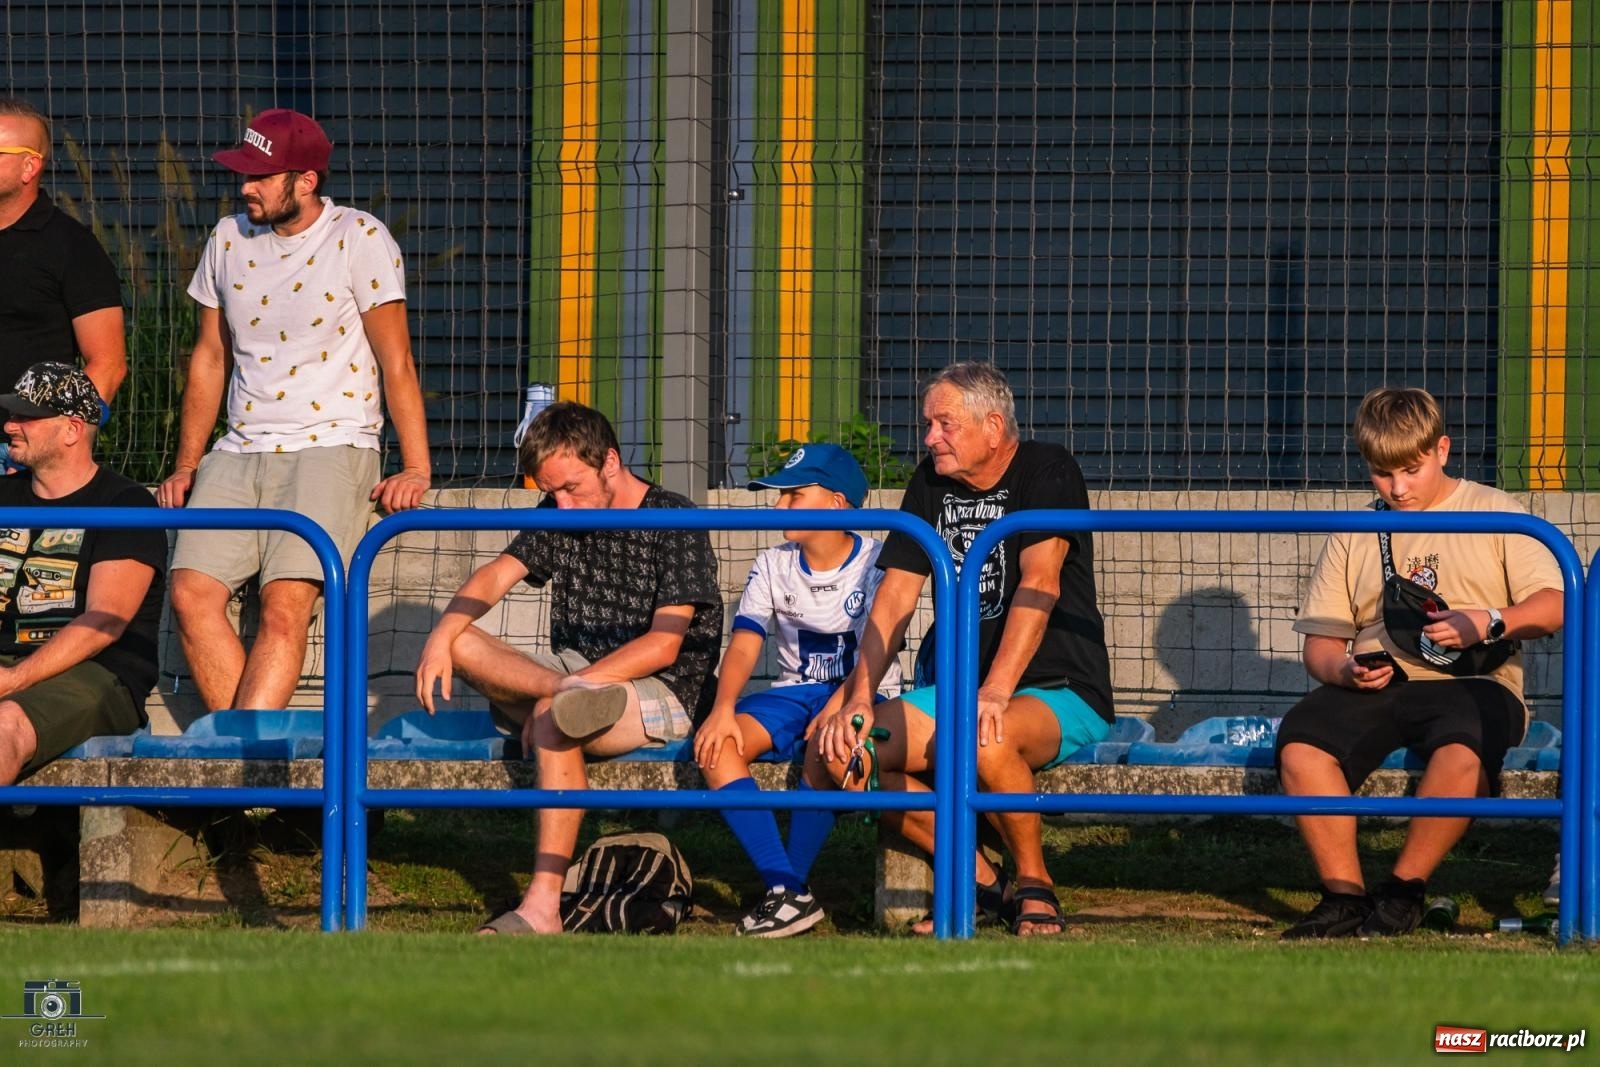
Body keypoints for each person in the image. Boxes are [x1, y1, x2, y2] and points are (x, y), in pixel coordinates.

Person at [810, 361, 1115, 936]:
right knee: (841, 753)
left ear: (993, 427)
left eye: (944, 424)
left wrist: (995, 691)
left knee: (983, 736)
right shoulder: (930, 480)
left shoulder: (1048, 469)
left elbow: (1041, 583)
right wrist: (858, 697)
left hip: (1058, 687)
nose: (930, 438)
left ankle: (1036, 884)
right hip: (961, 692)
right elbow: (894, 599)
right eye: (928, 424)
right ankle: (982, 882)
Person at [158, 108, 431, 713]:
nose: (245, 187)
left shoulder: (359, 236)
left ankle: (238, 762)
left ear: (305, 180)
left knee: (285, 605)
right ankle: (249, 758)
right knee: (189, 595)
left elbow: (398, 361)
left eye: (260, 175)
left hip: (332, 446)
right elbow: (209, 358)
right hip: (238, 449)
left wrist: (416, 467)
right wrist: (187, 463)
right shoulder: (226, 238)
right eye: (244, 174)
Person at [415, 401, 722, 935]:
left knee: (554, 719)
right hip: (575, 674)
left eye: (571, 488)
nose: (560, 504)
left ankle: (542, 907)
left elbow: (664, 646)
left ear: (610, 462)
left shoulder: (675, 517)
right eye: (550, 491)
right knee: (462, 642)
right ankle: (561, 693)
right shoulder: (560, 510)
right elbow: (495, 575)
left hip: (666, 689)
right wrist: (439, 638)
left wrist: (572, 693)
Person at [1277, 387, 1563, 939]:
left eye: (1411, 469)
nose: (1398, 488)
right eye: (1382, 474)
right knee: (1301, 740)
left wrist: (1488, 621)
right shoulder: (1354, 531)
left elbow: (1557, 603)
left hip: (1477, 682)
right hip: (1381, 683)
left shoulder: (1499, 512)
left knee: (1464, 748)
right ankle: (1343, 898)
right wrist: (1344, 671)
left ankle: (1403, 892)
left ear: (1442, 450)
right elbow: (1320, 645)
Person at [693, 443, 900, 938]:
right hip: (794, 692)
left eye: (794, 495)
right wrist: (722, 708)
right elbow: (745, 642)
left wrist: (839, 705)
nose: (779, 505)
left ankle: (786, 895)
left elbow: (877, 651)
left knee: (827, 745)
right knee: (716, 746)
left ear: (837, 503)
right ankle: (788, 892)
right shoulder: (773, 563)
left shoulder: (878, 561)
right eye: (779, 494)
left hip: (864, 694)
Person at [0, 363, 164, 784]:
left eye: (25, 417)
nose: (9, 426)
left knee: (4, 726)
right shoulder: (5, 495)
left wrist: (14, 679)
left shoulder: (124, 504)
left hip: (95, 672)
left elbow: (103, 623)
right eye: (12, 414)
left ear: (72, 429)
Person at [0, 98, 126, 466]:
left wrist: (46, 444)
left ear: (30, 166)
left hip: (18, 460)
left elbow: (108, 364)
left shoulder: (71, 246)